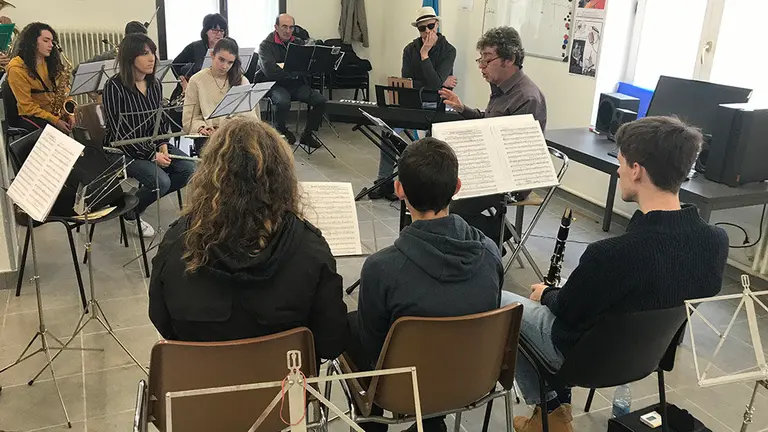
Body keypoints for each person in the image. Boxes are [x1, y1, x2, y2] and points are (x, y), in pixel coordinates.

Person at [502, 116, 729, 432]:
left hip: (582, 358)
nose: (619, 170)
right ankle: (551, 413)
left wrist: (548, 294)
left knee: (500, 303)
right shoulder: (716, 242)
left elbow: (567, 312)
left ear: (636, 170)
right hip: (648, 356)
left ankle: (551, 408)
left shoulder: (610, 255)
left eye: (621, 163)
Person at [148, 117, 349, 361]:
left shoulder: (177, 242)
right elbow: (331, 343)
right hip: (286, 394)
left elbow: (162, 321)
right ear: (282, 178)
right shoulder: (310, 248)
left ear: (210, 174)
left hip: (201, 393)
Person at [347, 137, 502, 432]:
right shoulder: (490, 252)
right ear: (457, 187)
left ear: (399, 189)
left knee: (352, 327)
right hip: (472, 379)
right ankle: (433, 422)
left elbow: (372, 346)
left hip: (401, 390)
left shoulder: (381, 268)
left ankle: (372, 424)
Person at [438, 26, 547, 247]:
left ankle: (497, 236)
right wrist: (463, 109)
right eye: (480, 60)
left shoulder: (527, 97)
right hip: (492, 168)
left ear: (510, 59)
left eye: (487, 60)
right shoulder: (499, 88)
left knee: (449, 205)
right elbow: (491, 125)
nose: (481, 66)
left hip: (510, 179)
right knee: (435, 187)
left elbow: (510, 153)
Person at [102, 33, 196, 238]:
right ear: (130, 57)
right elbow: (121, 134)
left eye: (152, 52)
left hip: (152, 143)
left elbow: (160, 121)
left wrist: (163, 145)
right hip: (121, 149)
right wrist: (153, 156)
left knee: (189, 168)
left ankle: (134, 201)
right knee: (161, 182)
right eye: (144, 53)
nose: (152, 58)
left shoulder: (155, 84)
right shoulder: (113, 87)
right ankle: (130, 213)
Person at [369, 6, 457, 201]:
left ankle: (421, 183)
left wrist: (425, 55)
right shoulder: (410, 49)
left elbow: (435, 86)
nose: (426, 32)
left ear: (437, 25)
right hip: (411, 101)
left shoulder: (448, 50)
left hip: (435, 104)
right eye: (422, 28)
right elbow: (406, 81)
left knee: (431, 144)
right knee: (388, 131)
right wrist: (438, 81)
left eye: (430, 26)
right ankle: (384, 182)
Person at [256, 13, 327, 148]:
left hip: (294, 83)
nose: (288, 31)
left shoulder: (298, 43)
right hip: (273, 84)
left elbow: (307, 68)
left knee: (320, 101)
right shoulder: (265, 45)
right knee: (283, 101)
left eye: (291, 27)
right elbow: (271, 72)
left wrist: (290, 72)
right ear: (276, 27)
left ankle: (307, 134)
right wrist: (294, 73)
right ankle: (281, 131)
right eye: (284, 27)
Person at [182, 37, 259, 142]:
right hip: (208, 137)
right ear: (212, 55)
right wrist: (201, 128)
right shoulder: (196, 80)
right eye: (221, 60)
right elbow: (189, 119)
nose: (224, 66)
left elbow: (250, 117)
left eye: (230, 62)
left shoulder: (241, 80)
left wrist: (229, 128)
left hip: (236, 136)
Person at [5, 22, 75, 133]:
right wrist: (55, 120)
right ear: (32, 42)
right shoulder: (16, 68)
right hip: (30, 115)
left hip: (51, 112)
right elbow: (27, 107)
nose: (51, 45)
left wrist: (70, 113)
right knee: (52, 132)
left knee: (81, 121)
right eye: (46, 41)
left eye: (52, 42)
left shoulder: (52, 63)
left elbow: (65, 92)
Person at [170, 13, 229, 108]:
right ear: (206, 31)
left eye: (222, 31)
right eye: (215, 30)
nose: (219, 34)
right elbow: (175, 65)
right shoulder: (194, 47)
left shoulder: (227, 49)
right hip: (194, 92)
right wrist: (184, 83)